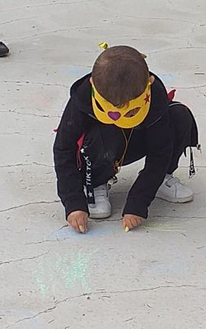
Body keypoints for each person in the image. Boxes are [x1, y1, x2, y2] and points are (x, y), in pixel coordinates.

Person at [54, 44, 198, 232]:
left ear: (150, 82)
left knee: (179, 116)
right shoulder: (83, 95)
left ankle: (161, 179)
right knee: (105, 129)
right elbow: (64, 148)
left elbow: (160, 152)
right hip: (101, 147)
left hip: (140, 139)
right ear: (92, 83)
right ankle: (96, 183)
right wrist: (73, 202)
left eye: (130, 111)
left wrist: (138, 202)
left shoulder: (154, 93)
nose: (122, 116)